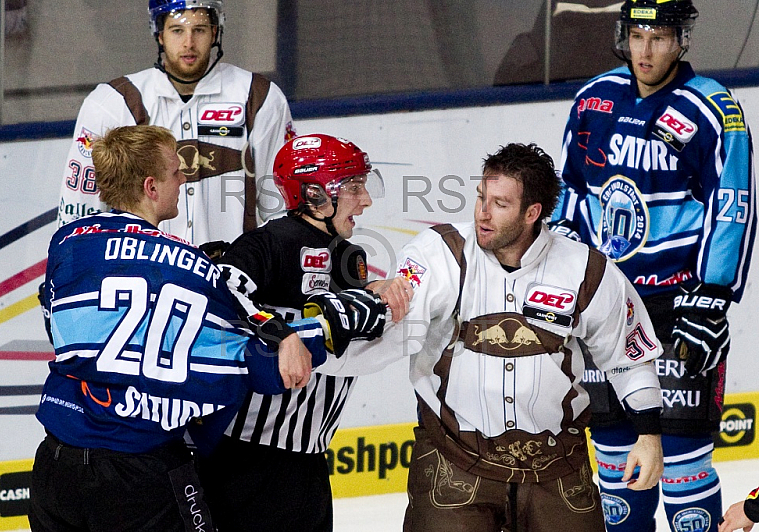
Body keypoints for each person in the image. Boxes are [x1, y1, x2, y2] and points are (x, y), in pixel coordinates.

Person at [28, 125, 385, 532]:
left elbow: (56, 324)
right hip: (139, 473)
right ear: (151, 187)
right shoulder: (188, 267)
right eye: (176, 172)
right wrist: (325, 326)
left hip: (55, 466)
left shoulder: (67, 242)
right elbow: (256, 363)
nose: (184, 180)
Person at [316, 142, 665, 532]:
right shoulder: (441, 253)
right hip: (456, 463)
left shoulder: (586, 270)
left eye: (499, 204)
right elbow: (395, 333)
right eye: (481, 197)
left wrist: (649, 433)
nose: (482, 213)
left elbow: (628, 356)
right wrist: (313, 349)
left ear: (532, 213)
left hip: (557, 469)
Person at [550, 0, 756, 530]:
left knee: (683, 463)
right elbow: (570, 190)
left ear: (682, 40)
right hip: (607, 306)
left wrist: (712, 298)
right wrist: (563, 263)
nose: (646, 50)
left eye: (660, 37)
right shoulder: (595, 99)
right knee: (619, 466)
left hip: (679, 309)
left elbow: (732, 202)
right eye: (637, 35)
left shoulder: (708, 108)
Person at [191, 134, 412, 531]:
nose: (365, 200)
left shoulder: (348, 256)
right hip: (247, 458)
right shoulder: (266, 244)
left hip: (307, 458)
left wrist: (371, 292)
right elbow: (220, 299)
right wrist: (282, 333)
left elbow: (342, 325)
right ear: (314, 194)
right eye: (353, 187)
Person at [58, 0, 295, 245]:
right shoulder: (111, 102)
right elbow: (81, 211)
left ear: (215, 31)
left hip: (236, 274)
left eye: (199, 29)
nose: (188, 43)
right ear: (159, 34)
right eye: (177, 30)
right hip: (145, 274)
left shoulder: (259, 96)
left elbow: (279, 204)